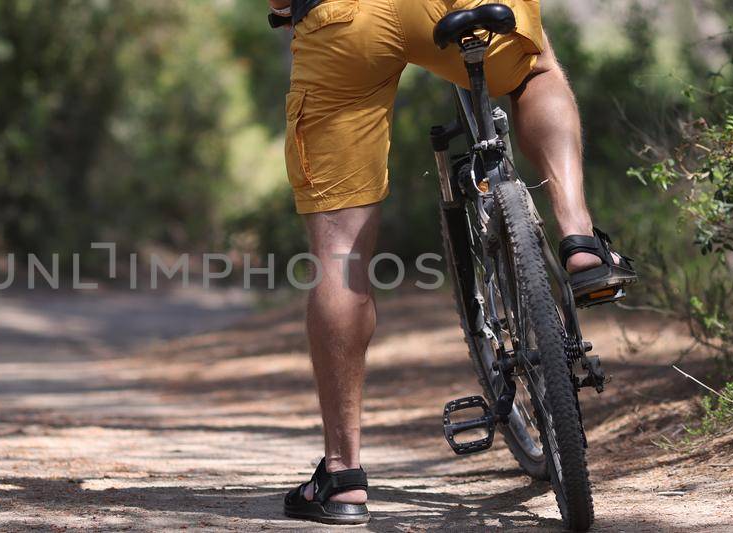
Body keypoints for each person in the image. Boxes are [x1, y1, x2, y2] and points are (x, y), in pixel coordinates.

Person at [267, 0, 637, 525]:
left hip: (345, 19)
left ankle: (343, 477)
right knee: (536, 70)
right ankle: (579, 239)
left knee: (340, 256)